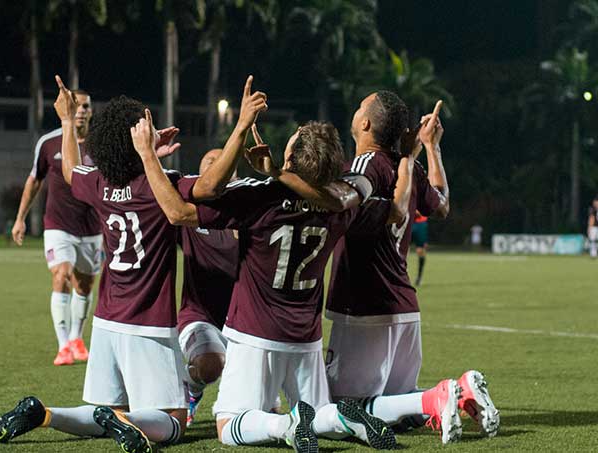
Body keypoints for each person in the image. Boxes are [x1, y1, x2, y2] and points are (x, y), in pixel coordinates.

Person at [0, 75, 267, 453]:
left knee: (105, 410)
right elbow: (211, 186)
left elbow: (71, 171)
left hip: (105, 321)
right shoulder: (162, 185)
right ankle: (121, 421)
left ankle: (44, 414)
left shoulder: (99, 182)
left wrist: (68, 122)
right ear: (136, 140)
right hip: (147, 324)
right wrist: (240, 128)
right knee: (172, 422)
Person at [134, 110, 403, 452]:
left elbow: (179, 213)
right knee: (319, 416)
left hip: (255, 331)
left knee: (229, 425)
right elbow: (391, 210)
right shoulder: (343, 204)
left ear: (290, 157)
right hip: (306, 336)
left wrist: (146, 156)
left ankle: (285, 424)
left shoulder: (260, 195)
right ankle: (344, 420)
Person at [322, 93, 498, 444]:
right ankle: (460, 397)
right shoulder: (411, 166)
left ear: (367, 124)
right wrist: (432, 148)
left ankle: (444, 393)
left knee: (342, 411)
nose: (355, 112)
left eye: (360, 108)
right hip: (404, 308)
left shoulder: (363, 165)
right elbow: (443, 204)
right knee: (396, 411)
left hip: (365, 306)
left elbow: (344, 204)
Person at [11, 87, 100, 366]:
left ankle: (76, 338)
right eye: (77, 105)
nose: (82, 110)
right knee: (61, 273)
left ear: (91, 111)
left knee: (84, 285)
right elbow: (34, 180)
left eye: (86, 106)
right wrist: (20, 218)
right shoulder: (49, 143)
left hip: (93, 228)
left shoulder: (100, 145)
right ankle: (63, 346)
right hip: (58, 224)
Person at [177, 148, 239, 427]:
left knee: (268, 406)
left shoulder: (251, 212)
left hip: (245, 321)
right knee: (210, 364)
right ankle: (191, 388)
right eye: (208, 162)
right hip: (199, 316)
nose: (215, 165)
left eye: (222, 162)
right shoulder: (189, 213)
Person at [411, 210, 429, 287]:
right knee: (402, 249)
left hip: (420, 223)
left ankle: (419, 277)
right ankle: (401, 276)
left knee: (420, 251)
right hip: (407, 221)